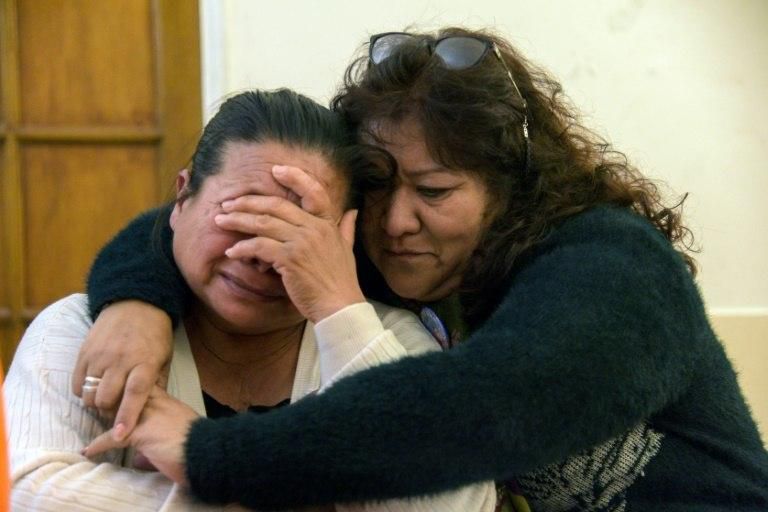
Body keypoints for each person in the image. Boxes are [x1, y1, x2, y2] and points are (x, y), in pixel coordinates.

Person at [78, 27, 768, 510]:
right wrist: (136, 302)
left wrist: (212, 454)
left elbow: (478, 410)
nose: (397, 220)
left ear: (510, 187)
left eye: (435, 191)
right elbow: (207, 225)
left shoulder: (613, 268)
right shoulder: (398, 253)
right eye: (375, 186)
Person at [3, 89, 496, 511]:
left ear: (343, 237)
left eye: (296, 231)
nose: (260, 254)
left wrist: (339, 308)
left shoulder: (392, 342)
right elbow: (34, 493)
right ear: (182, 196)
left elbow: (457, 503)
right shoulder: (85, 331)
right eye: (242, 214)